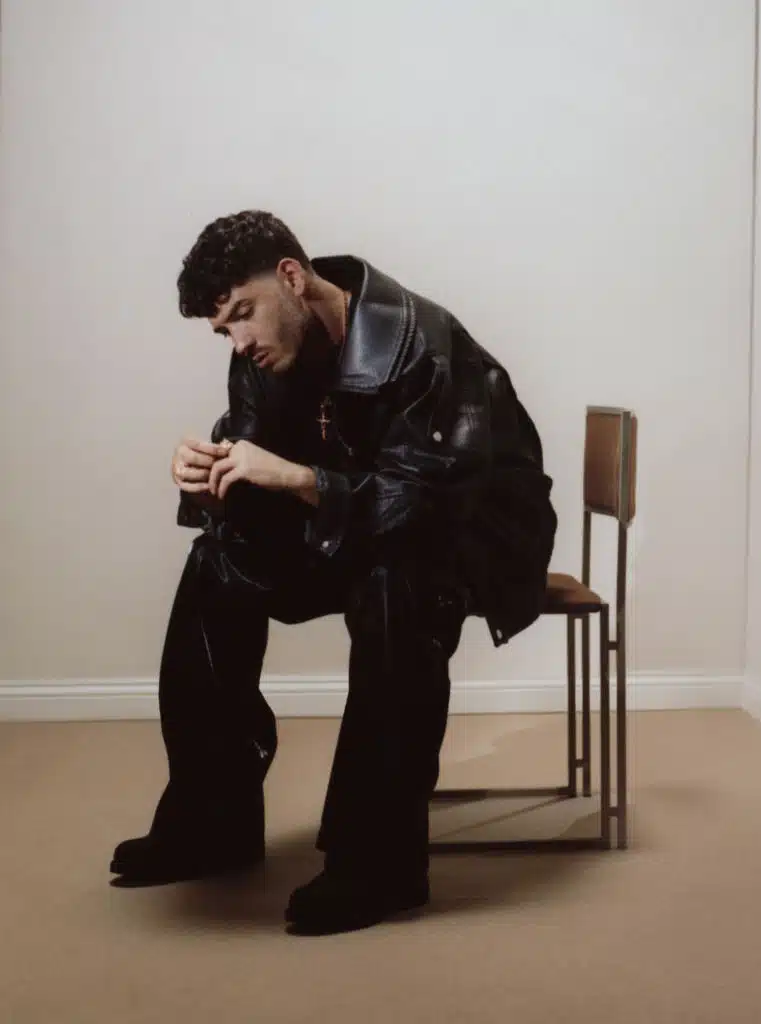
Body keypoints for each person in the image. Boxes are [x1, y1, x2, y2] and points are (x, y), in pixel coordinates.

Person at [109, 210, 558, 935]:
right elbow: (261, 472)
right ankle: (212, 820)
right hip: (359, 521)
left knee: (396, 585)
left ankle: (380, 864)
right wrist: (210, 482)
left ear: (292, 277)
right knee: (217, 564)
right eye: (224, 330)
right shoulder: (264, 357)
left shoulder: (423, 345)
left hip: (475, 534)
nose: (239, 341)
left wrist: (295, 478)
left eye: (244, 313)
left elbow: (426, 507)